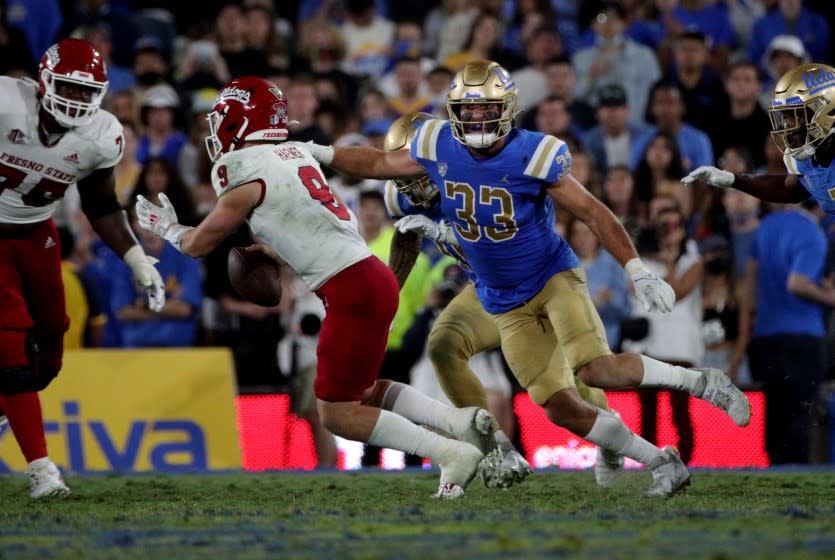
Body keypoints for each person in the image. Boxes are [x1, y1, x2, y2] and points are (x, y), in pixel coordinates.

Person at [308, 63, 751, 497]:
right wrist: (323, 153)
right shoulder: (418, 169)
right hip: (497, 293)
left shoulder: (529, 153)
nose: (421, 185)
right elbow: (387, 180)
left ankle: (702, 382)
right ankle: (645, 459)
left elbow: (592, 211)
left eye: (486, 111)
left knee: (596, 369)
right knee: (555, 405)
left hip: (548, 275)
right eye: (468, 112)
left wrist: (636, 269)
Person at [135, 76, 497, 500]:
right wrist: (282, 254)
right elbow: (332, 202)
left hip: (350, 288)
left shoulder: (242, 168)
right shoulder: (297, 151)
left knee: (338, 415)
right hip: (368, 277)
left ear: (238, 121)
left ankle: (448, 452)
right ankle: (460, 423)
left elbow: (200, 244)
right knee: (360, 390)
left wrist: (169, 228)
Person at [0, 38, 165, 498]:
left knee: (51, 339)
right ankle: (41, 471)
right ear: (44, 81)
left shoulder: (102, 135)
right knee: (9, 343)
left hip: (36, 233)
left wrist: (135, 258)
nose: (74, 100)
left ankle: (8, 398)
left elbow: (101, 205)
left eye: (84, 91)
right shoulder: (4, 103)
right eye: (67, 88)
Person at [683, 63, 835, 216]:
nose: (788, 126)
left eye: (796, 116)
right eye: (786, 116)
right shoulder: (812, 156)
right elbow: (788, 189)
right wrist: (733, 179)